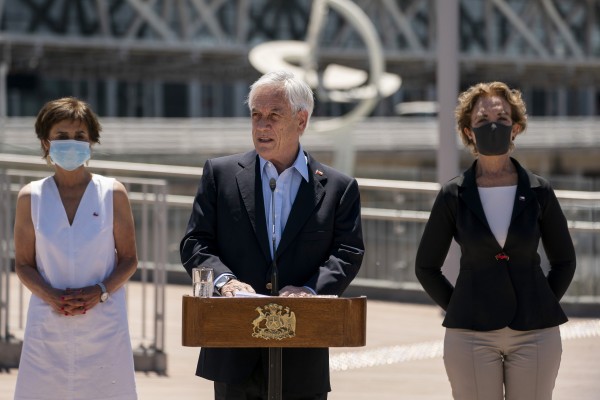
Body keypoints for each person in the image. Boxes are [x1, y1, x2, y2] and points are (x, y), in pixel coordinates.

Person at [180, 70, 365, 400]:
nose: (261, 126)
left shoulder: (338, 188)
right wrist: (225, 282)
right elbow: (195, 243)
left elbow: (347, 252)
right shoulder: (220, 175)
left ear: (301, 120)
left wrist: (310, 289)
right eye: (256, 116)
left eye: (273, 116)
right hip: (233, 347)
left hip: (302, 348)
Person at [415, 82, 576, 400]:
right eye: (482, 118)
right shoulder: (453, 194)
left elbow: (565, 261)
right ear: (468, 131)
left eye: (502, 118)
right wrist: (462, 306)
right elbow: (426, 266)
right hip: (471, 336)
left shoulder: (539, 191)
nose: (493, 125)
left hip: (535, 334)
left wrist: (539, 301)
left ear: (515, 128)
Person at [13, 97, 138, 399]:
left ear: (92, 141)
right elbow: (24, 264)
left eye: (80, 136)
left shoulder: (112, 193)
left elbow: (130, 259)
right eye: (62, 136)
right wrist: (51, 296)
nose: (72, 143)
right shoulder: (31, 197)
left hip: (104, 321)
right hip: (48, 323)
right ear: (46, 142)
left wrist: (101, 290)